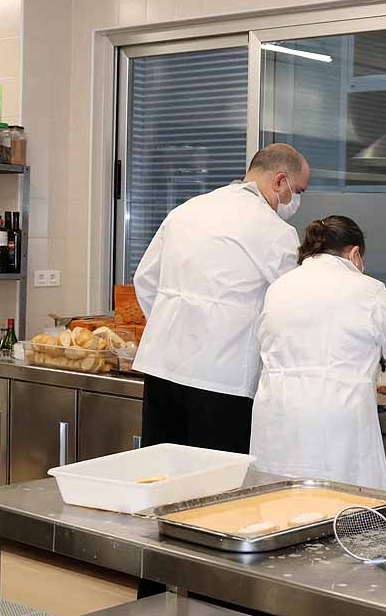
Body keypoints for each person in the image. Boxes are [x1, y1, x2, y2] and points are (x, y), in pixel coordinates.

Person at [132, 143, 309, 597]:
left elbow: (145, 280)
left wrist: (177, 330)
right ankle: (211, 599)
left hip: (164, 370)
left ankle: (152, 596)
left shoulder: (188, 210)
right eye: (299, 190)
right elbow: (292, 306)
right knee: (218, 503)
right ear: (280, 182)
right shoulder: (272, 232)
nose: (297, 201)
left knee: (161, 493)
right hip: (224, 382)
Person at [249, 216, 386, 490]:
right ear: (355, 253)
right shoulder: (367, 290)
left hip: (277, 418)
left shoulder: (279, 288)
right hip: (337, 422)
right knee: (344, 513)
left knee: (279, 511)